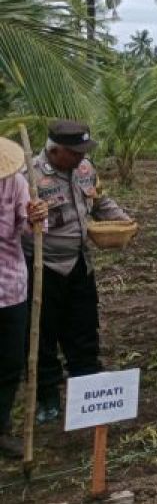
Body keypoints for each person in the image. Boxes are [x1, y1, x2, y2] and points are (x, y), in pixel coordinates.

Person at [24, 121, 131, 423]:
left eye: (84, 152)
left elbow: (99, 200)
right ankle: (47, 396)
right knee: (42, 335)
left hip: (79, 262)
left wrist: (122, 220)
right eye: (75, 153)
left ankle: (88, 390)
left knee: (84, 329)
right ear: (55, 150)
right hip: (42, 265)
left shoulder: (85, 168)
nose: (80, 158)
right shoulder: (30, 175)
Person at [0, 138, 47, 457]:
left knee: (9, 363)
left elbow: (31, 229)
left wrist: (36, 216)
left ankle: (1, 428)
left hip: (10, 288)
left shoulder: (14, 182)